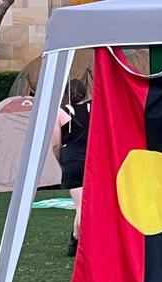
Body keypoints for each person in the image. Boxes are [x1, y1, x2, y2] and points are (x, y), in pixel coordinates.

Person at [51, 79, 90, 256]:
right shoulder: (94, 107)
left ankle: (77, 241)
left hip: (73, 160)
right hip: (93, 159)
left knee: (81, 207)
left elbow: (55, 145)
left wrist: (61, 163)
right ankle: (76, 240)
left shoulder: (59, 112)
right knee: (88, 206)